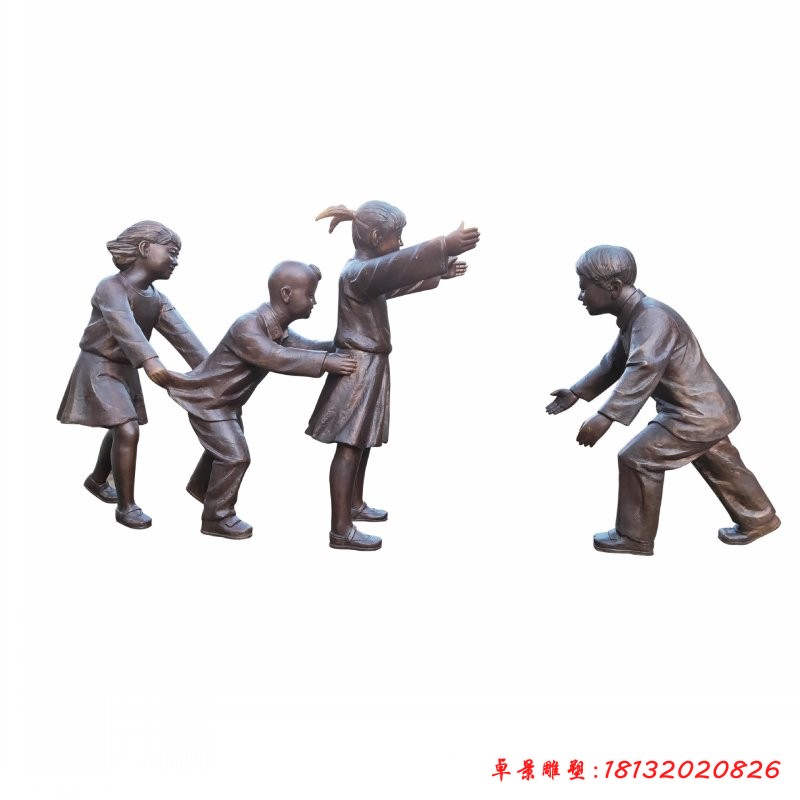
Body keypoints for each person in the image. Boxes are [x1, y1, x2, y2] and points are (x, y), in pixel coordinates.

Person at [546, 244, 780, 555]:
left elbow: (642, 368)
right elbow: (614, 363)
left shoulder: (652, 317)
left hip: (694, 414)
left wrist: (605, 417)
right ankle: (759, 518)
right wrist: (576, 392)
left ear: (613, 287)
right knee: (719, 460)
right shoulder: (638, 316)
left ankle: (634, 537)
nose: (580, 296)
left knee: (636, 458)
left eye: (584, 287)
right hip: (704, 410)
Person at [306, 201, 480, 551]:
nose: (400, 243)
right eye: (396, 236)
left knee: (361, 440)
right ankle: (340, 529)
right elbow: (396, 266)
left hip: (369, 363)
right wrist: (442, 245)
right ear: (375, 236)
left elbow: (393, 282)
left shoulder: (366, 273)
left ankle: (354, 505)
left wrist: (437, 273)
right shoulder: (357, 272)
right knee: (350, 445)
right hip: (358, 365)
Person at [166, 261, 356, 539]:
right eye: (310, 295)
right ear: (287, 294)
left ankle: (203, 489)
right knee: (235, 457)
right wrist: (327, 362)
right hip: (209, 402)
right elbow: (275, 357)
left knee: (220, 450)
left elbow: (306, 347)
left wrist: (341, 346)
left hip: (228, 404)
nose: (314, 302)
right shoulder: (249, 326)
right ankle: (216, 517)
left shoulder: (278, 329)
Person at [58, 220, 208, 529]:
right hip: (98, 367)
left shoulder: (157, 298)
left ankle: (97, 480)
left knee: (122, 426)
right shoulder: (110, 287)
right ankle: (126, 507)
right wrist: (151, 361)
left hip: (125, 370)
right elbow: (125, 327)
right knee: (127, 429)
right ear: (144, 248)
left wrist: (212, 370)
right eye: (172, 252)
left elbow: (185, 338)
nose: (176, 261)